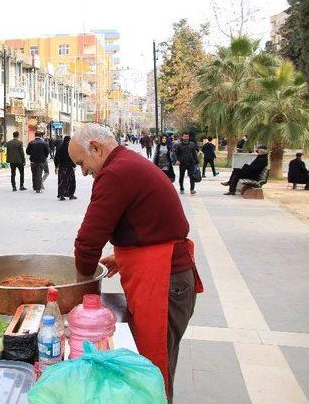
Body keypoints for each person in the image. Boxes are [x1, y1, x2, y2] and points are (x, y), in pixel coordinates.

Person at [69, 124, 203, 401]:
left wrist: (81, 282)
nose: (82, 172)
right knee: (153, 363)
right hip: (166, 276)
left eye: (81, 163)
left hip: (164, 279)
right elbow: (152, 221)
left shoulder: (116, 173)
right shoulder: (127, 163)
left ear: (95, 147)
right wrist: (122, 255)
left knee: (154, 366)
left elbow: (88, 240)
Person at [54, 136, 77, 201]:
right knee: (71, 181)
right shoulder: (70, 148)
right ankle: (71, 195)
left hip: (62, 167)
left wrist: (56, 166)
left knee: (62, 181)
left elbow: (56, 157)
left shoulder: (59, 147)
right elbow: (72, 157)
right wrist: (74, 165)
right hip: (69, 167)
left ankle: (61, 195)